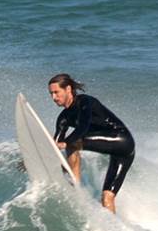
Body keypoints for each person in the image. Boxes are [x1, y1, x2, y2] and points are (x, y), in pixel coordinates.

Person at [47, 72, 133, 213]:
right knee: (107, 197)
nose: (53, 97)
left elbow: (83, 127)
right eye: (51, 94)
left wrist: (65, 144)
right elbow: (56, 143)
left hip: (122, 140)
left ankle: (74, 184)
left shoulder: (85, 102)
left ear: (68, 89)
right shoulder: (63, 118)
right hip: (119, 151)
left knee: (72, 143)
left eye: (56, 92)